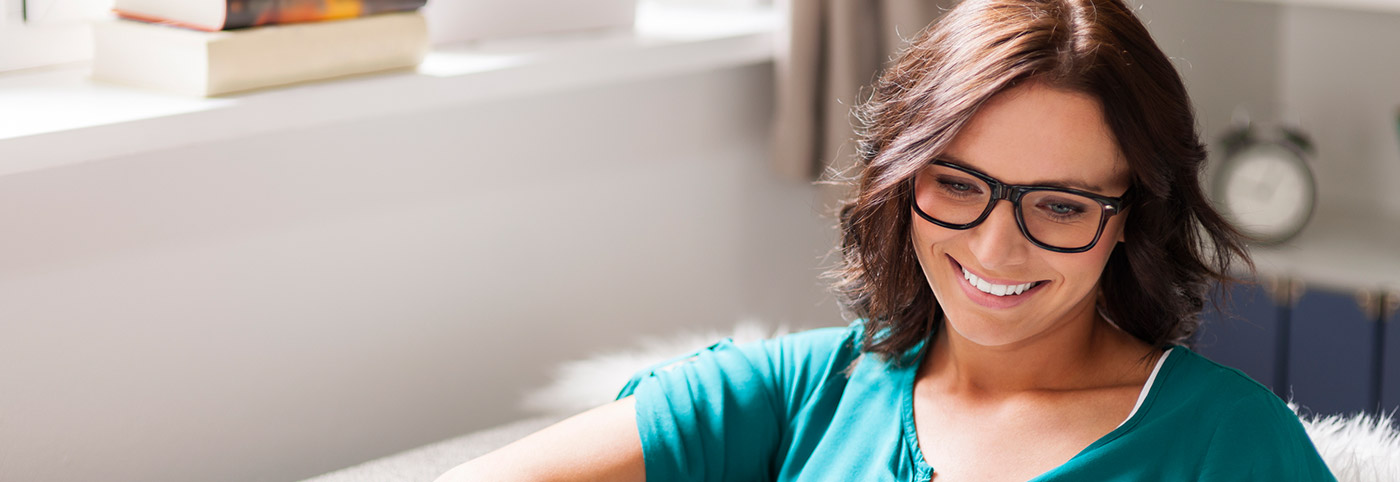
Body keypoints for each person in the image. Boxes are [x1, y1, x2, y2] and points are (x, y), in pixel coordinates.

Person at [436, 0, 1337, 480]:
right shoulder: (790, 393)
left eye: (1058, 205)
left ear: (1130, 217)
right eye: (956, 185)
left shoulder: (1230, 443)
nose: (994, 248)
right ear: (900, 187)